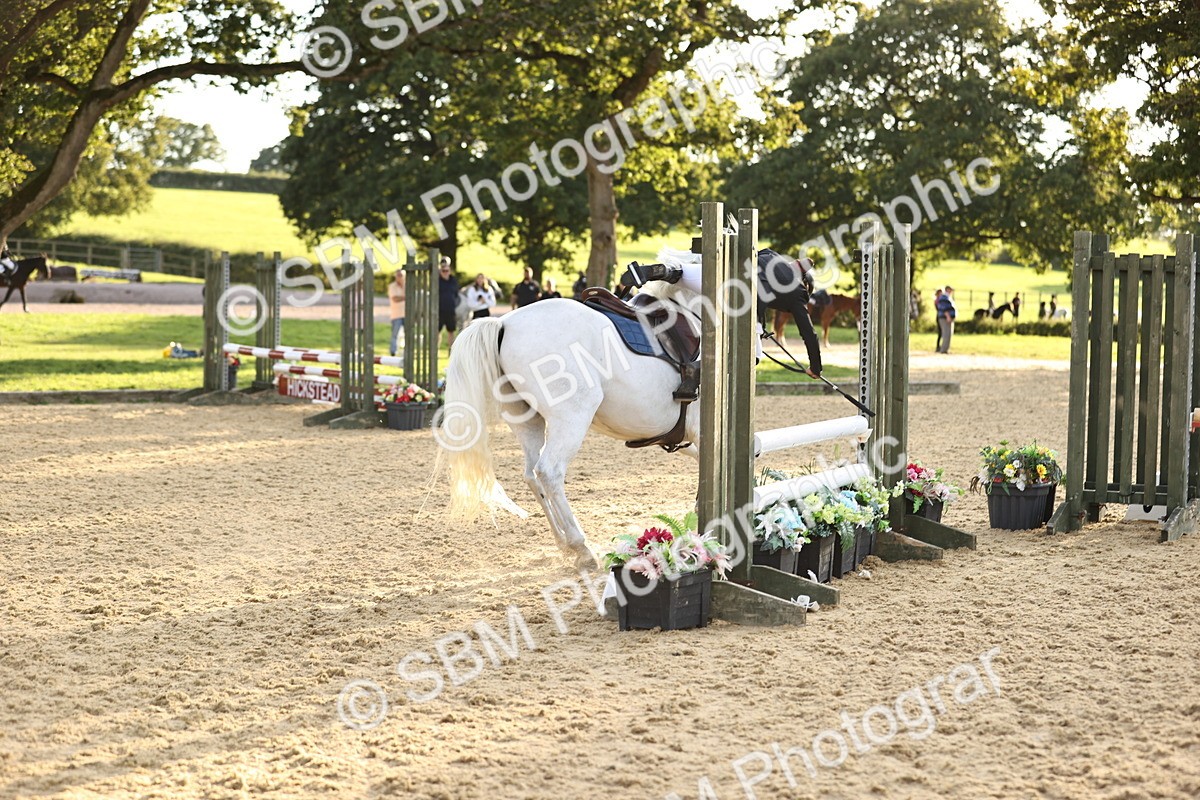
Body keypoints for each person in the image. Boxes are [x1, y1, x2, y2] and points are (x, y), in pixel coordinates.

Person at [437, 257, 460, 350]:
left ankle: (451, 351)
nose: (445, 272)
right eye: (443, 270)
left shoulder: (453, 280)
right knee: (437, 331)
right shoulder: (437, 280)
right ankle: (436, 350)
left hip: (450, 310)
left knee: (451, 331)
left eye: (447, 270)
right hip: (439, 310)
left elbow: (456, 293)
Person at [388, 269, 406, 358]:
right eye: (398, 275)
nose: (400, 277)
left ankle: (406, 351)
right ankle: (393, 351)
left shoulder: (407, 286)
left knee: (408, 334)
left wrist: (402, 297)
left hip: (406, 314)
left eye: (401, 275)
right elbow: (395, 298)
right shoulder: (392, 286)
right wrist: (406, 297)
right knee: (395, 334)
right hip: (396, 314)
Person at [936, 285, 956, 353]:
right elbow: (943, 308)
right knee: (946, 333)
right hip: (945, 318)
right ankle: (943, 349)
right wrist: (948, 316)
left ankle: (946, 349)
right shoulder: (944, 297)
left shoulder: (947, 297)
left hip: (947, 318)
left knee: (949, 333)